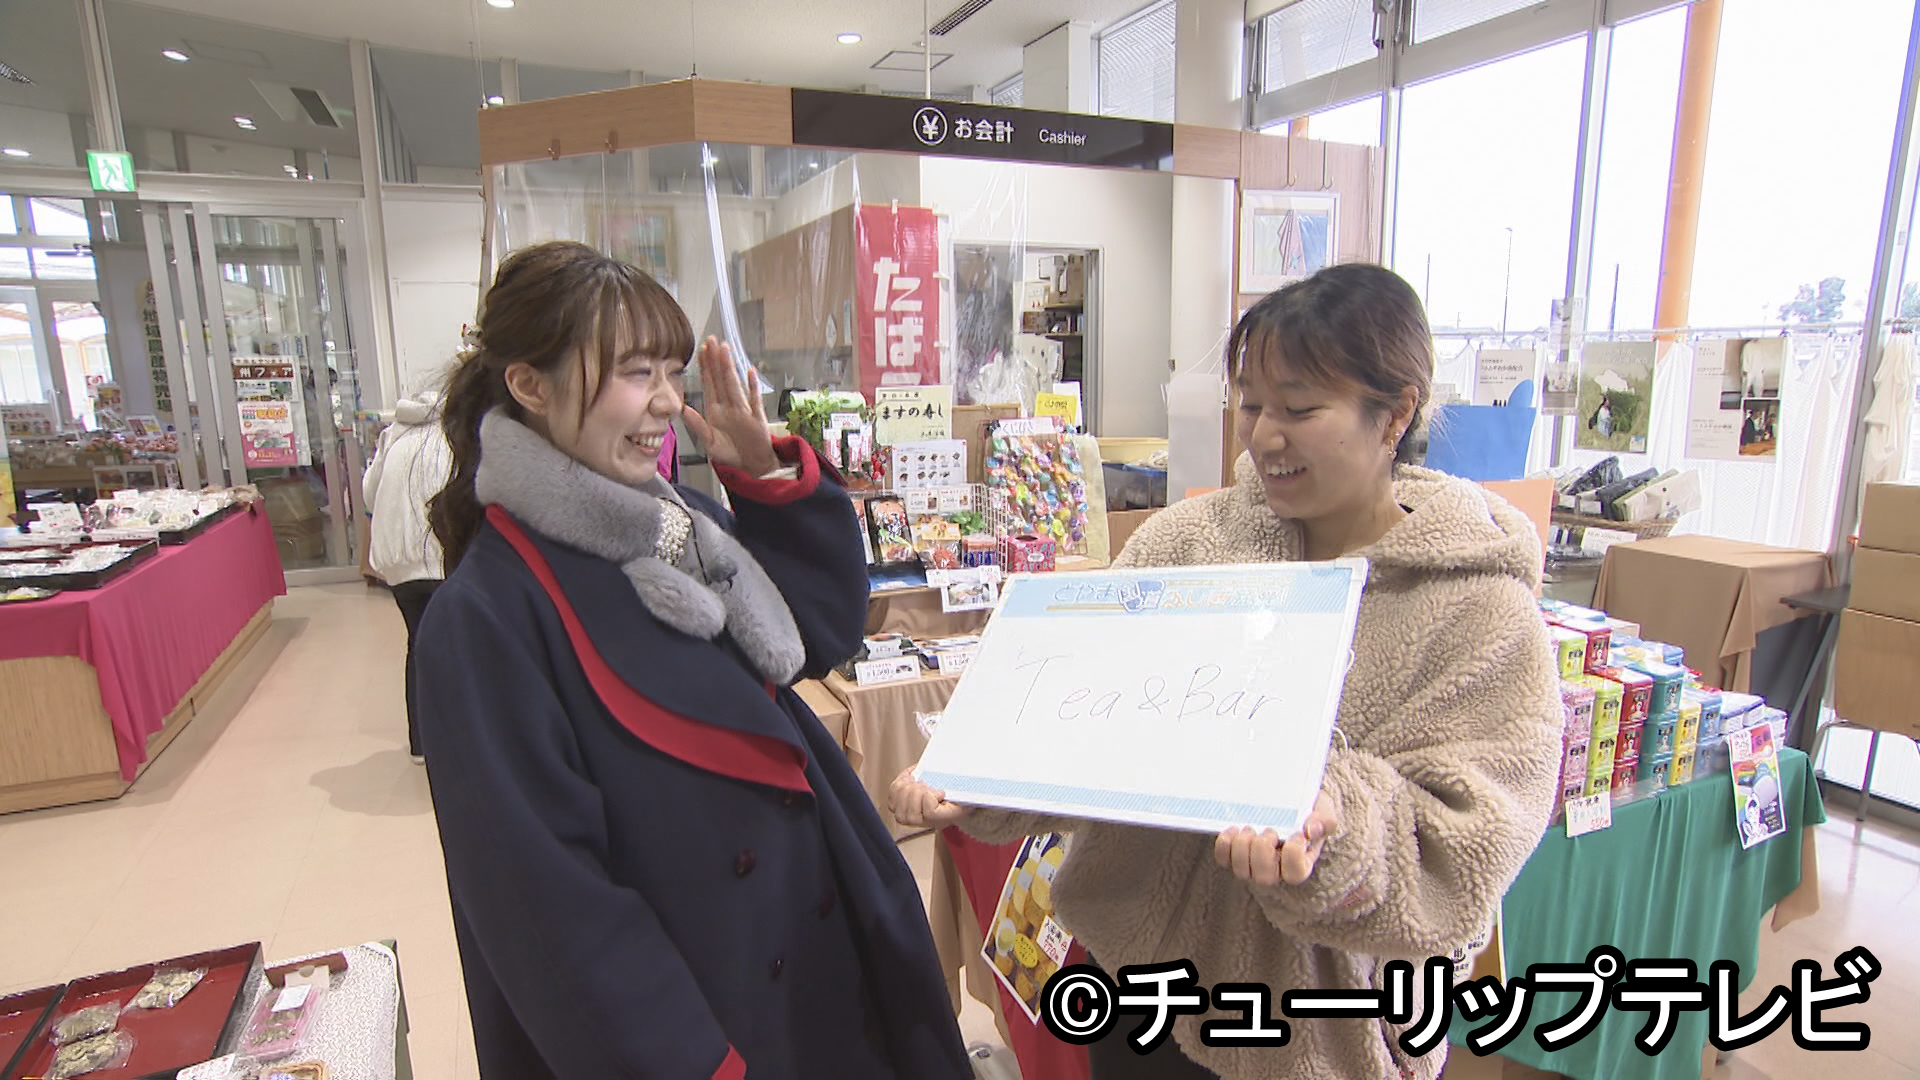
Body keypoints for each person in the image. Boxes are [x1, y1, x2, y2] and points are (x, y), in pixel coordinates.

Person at [894, 264, 1563, 1080]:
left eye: (1299, 409)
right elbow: (1087, 718)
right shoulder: (1187, 545)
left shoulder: (1480, 610)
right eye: (1250, 404)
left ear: (1395, 414)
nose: (1263, 435)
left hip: (1325, 1035)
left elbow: (1472, 841)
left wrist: (1334, 822)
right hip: (1143, 989)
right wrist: (979, 775)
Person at [415, 241, 969, 1080]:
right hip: (709, 1015)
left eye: (672, 373)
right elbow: (550, 914)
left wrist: (765, 480)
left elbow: (819, 636)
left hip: (814, 967)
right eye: (635, 373)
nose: (669, 403)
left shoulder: (675, 522)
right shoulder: (486, 617)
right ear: (529, 385)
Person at [361, 386, 451, 764]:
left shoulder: (393, 436)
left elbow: (369, 496)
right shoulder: (455, 433)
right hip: (441, 557)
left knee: (418, 645)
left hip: (398, 561)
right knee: (455, 648)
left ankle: (421, 744)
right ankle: (458, 739)